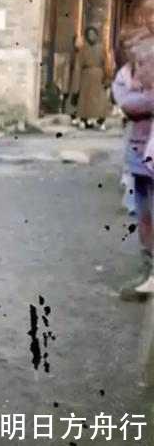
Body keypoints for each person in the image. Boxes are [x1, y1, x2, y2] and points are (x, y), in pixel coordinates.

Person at [114, 35, 154, 301]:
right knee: (144, 215)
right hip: (139, 154)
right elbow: (124, 99)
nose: (137, 71)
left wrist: (137, 99)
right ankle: (148, 270)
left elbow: (129, 103)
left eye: (143, 64)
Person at [71, 26, 110, 128]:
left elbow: (106, 64)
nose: (91, 36)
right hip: (86, 76)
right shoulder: (83, 49)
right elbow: (78, 66)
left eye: (93, 34)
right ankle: (84, 119)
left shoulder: (102, 48)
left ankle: (101, 120)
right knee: (85, 99)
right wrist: (76, 83)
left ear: (97, 35)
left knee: (100, 100)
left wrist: (107, 78)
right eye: (89, 35)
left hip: (99, 76)